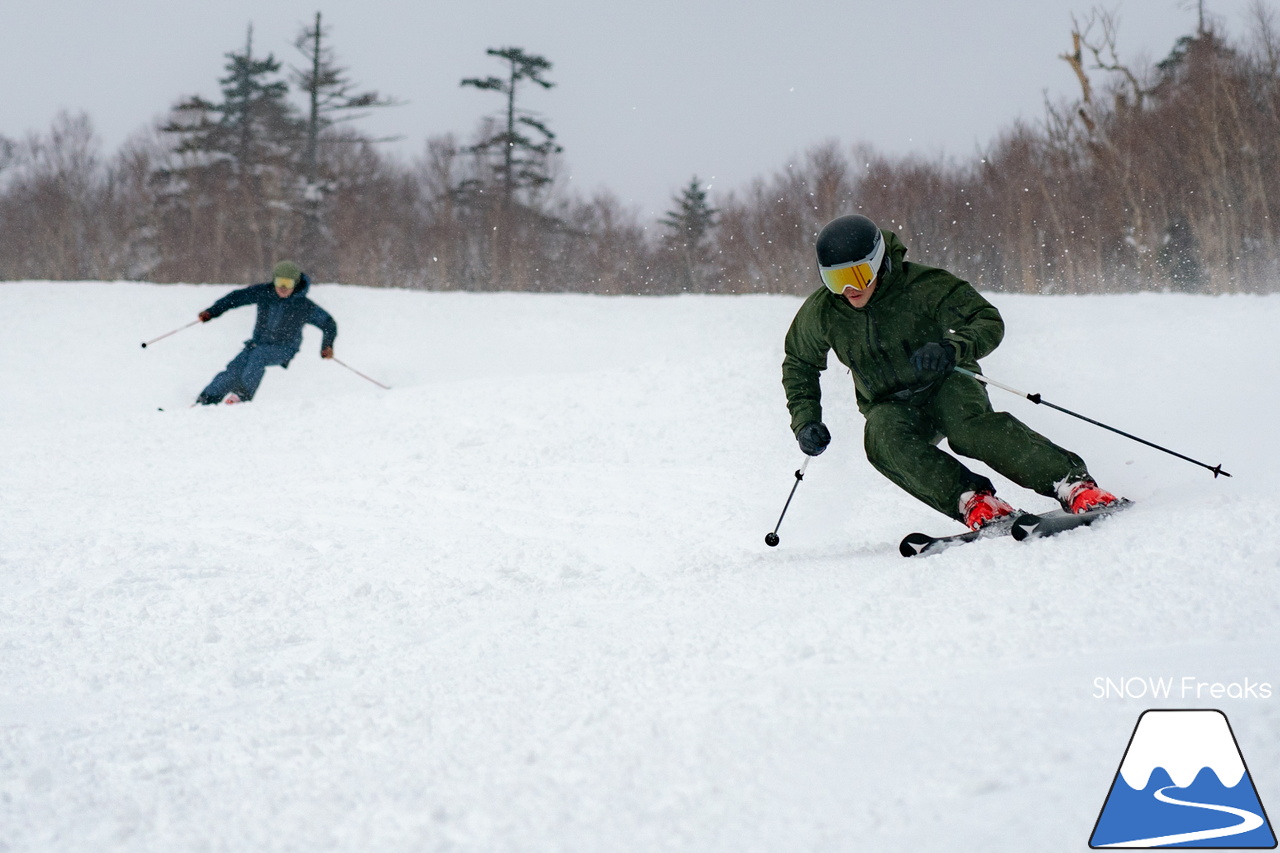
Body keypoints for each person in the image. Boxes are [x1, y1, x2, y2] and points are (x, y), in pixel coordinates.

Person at [782, 214, 1119, 530]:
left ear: (878, 262)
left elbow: (986, 320)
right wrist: (806, 420)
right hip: (891, 404)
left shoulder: (923, 286)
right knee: (881, 438)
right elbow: (799, 362)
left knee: (968, 430)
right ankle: (973, 500)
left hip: (947, 383)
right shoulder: (823, 312)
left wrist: (951, 348)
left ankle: (1071, 483)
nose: (848, 290)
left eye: (856, 276)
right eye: (834, 279)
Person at [194, 260, 337, 405]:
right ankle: (206, 400)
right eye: (280, 282)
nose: (282, 288)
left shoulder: (303, 305)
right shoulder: (264, 293)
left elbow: (328, 324)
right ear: (274, 280)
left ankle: (241, 396)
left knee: (258, 356)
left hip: (284, 348)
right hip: (257, 344)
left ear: (296, 284)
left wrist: (327, 346)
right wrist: (212, 312)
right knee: (236, 367)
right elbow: (236, 298)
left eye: (288, 284)